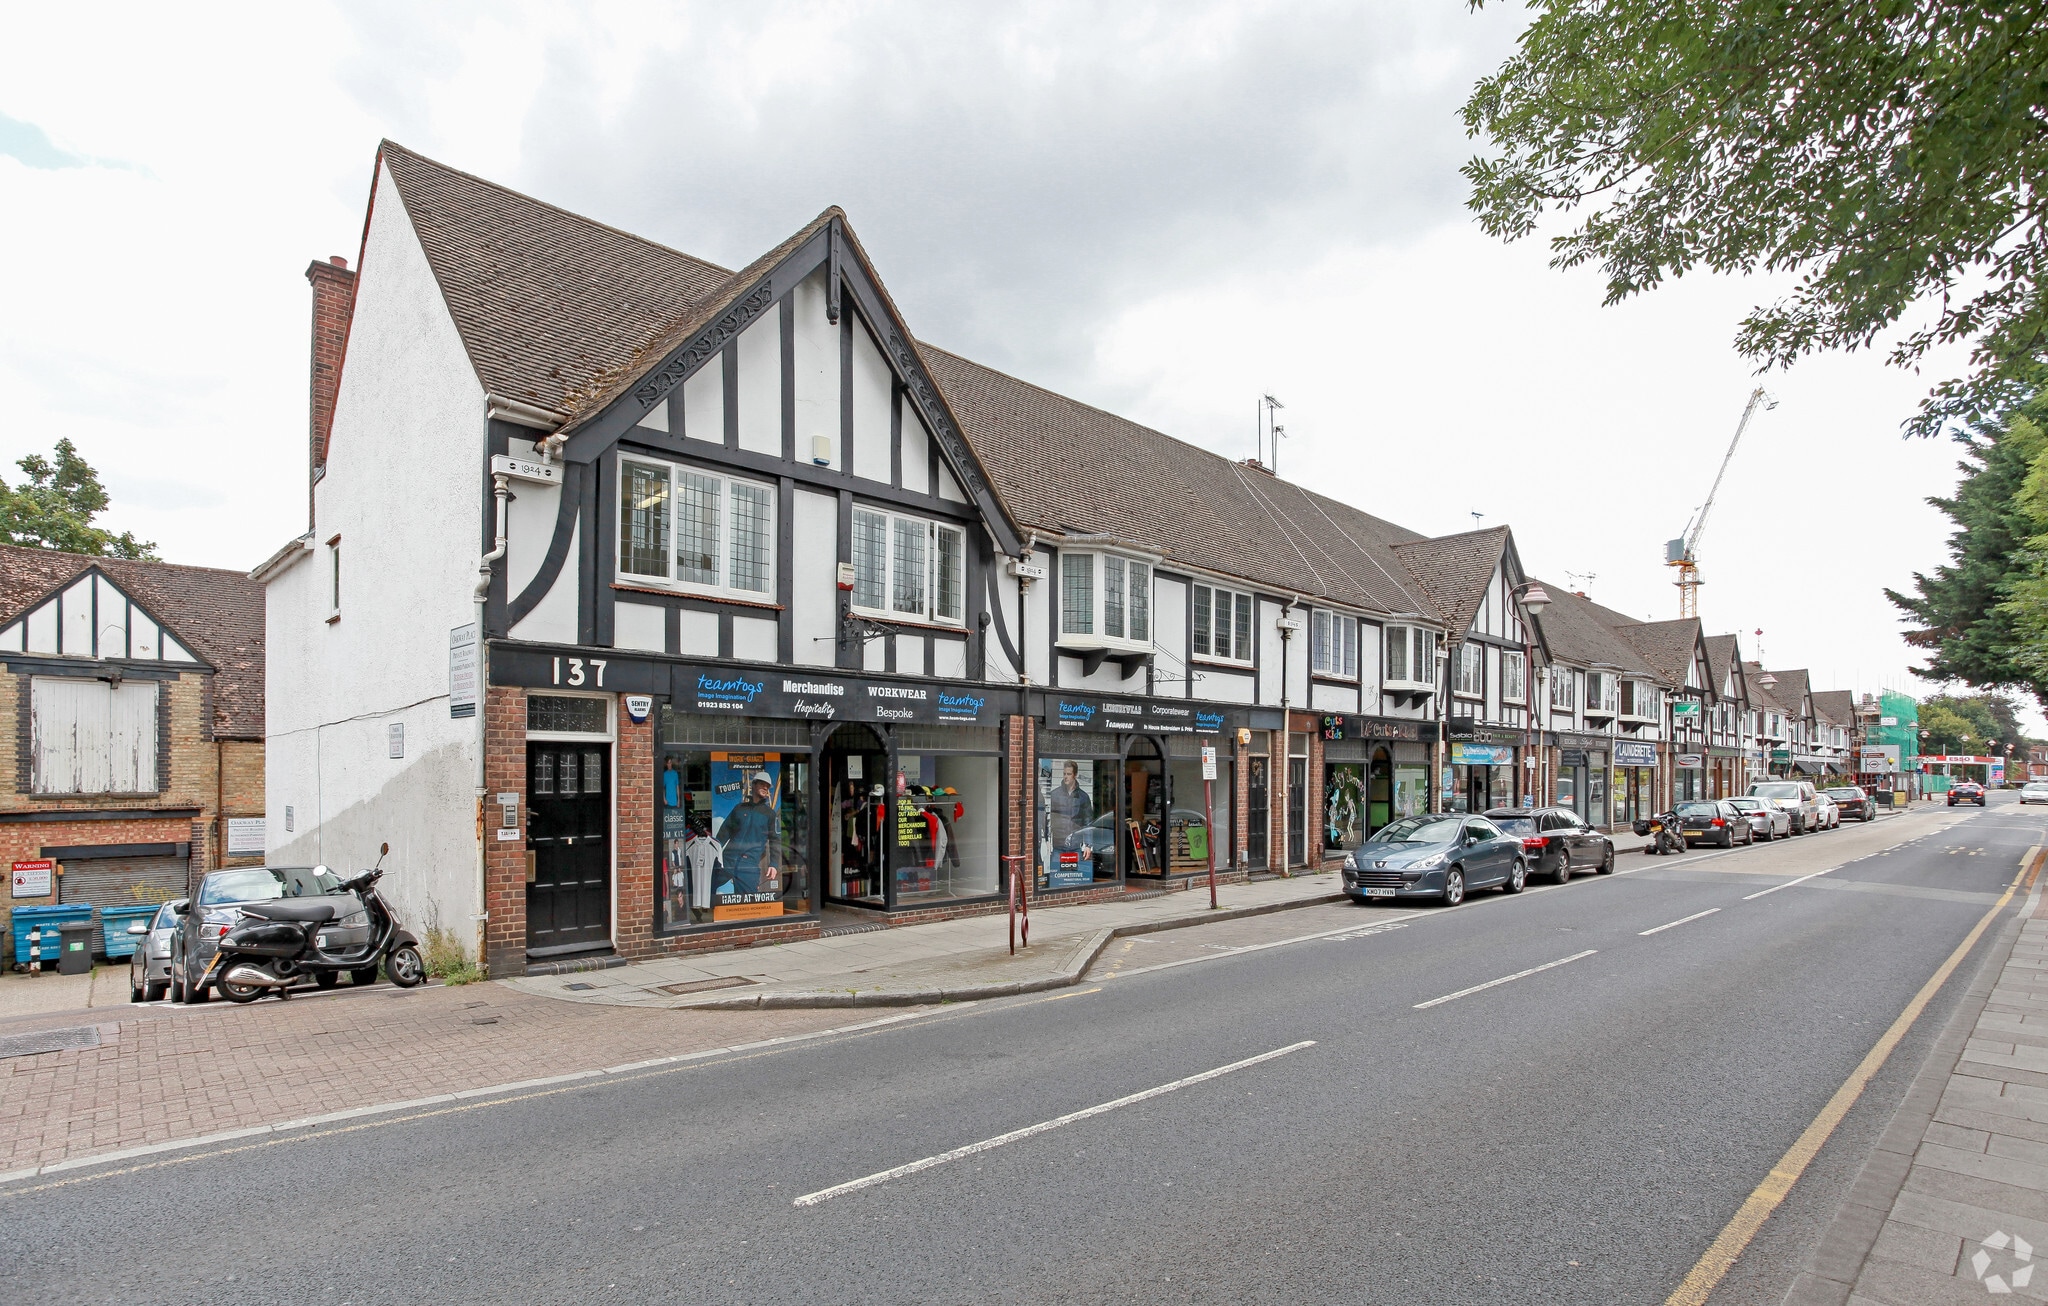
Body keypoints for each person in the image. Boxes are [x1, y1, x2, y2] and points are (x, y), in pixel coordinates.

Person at [719, 773, 782, 895]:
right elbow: (723, 833)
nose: (765, 788)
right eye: (762, 784)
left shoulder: (770, 814)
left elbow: (776, 840)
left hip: (749, 865)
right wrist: (713, 855)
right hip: (727, 860)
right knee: (706, 890)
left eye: (768, 786)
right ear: (753, 784)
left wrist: (773, 864)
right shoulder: (739, 808)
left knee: (749, 905)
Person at [1047, 760, 1093, 851]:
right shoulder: (1054, 795)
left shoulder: (1083, 797)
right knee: (1056, 865)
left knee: (1077, 865)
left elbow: (1087, 821)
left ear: (1075, 775)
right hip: (1058, 844)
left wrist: (1088, 845)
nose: (1065, 777)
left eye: (1068, 774)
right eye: (1064, 774)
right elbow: (1048, 819)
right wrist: (1047, 841)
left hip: (1076, 844)